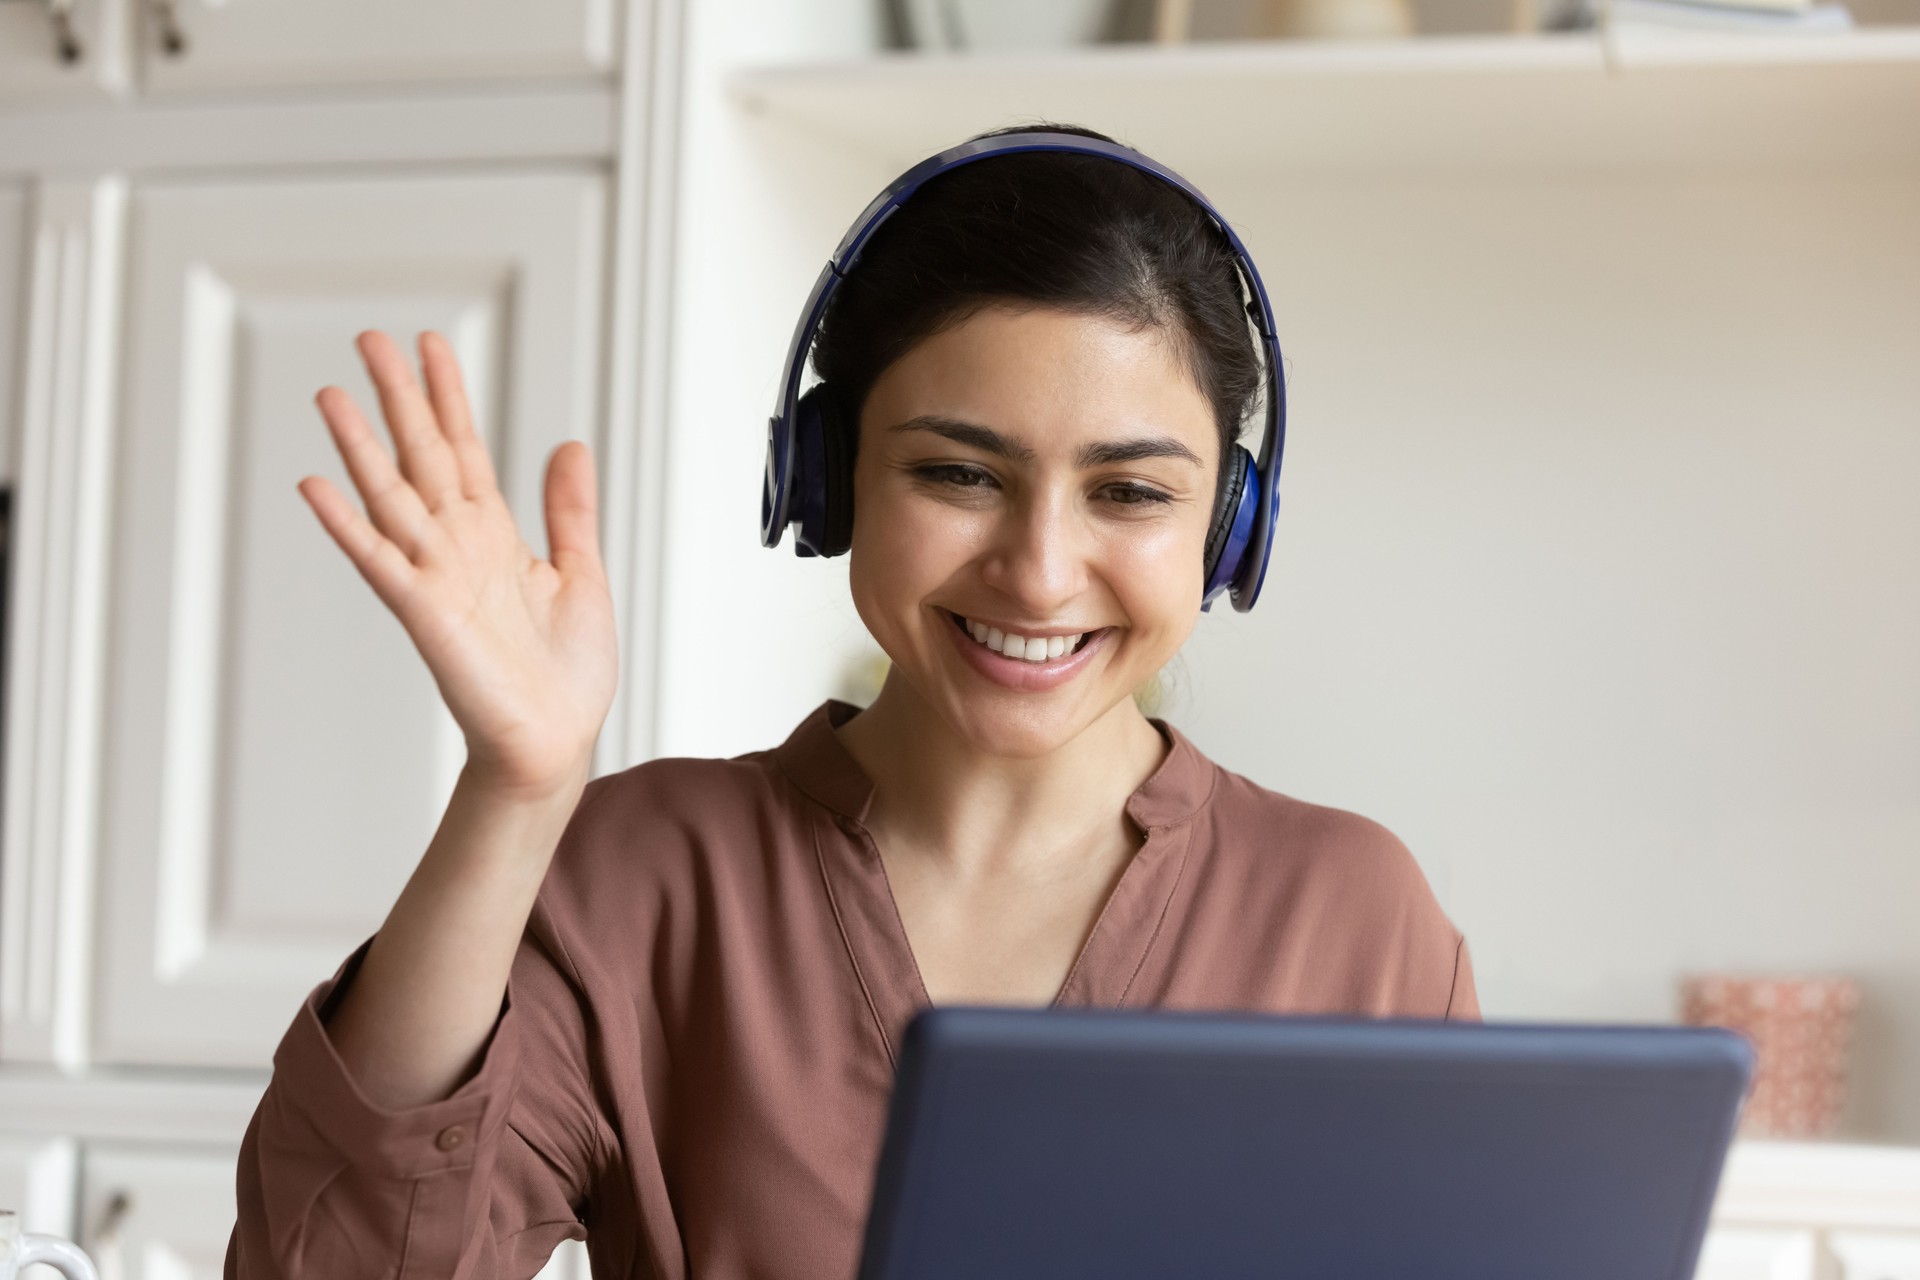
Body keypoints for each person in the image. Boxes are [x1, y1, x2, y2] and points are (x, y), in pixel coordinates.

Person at [224, 123, 1479, 1280]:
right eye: (956, 472)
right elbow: (337, 1260)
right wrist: (517, 787)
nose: (1039, 570)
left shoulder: (1357, 920)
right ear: (828, 484)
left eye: (1131, 493)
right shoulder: (640, 873)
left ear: (1228, 527)